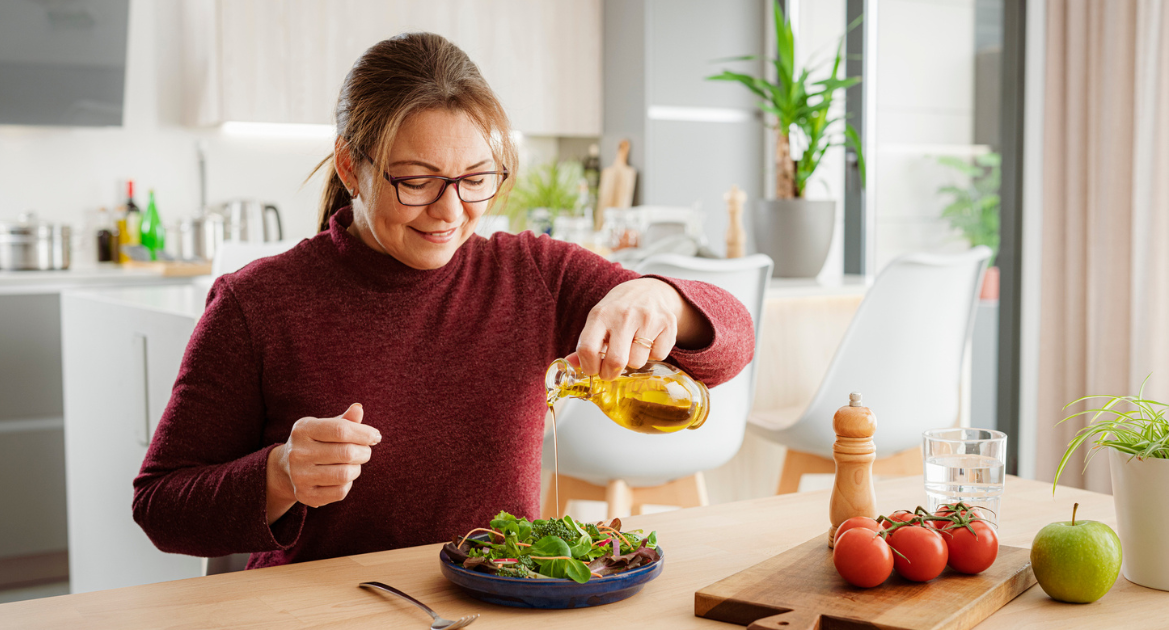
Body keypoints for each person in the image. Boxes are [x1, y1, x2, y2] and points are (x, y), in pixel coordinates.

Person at [133, 32, 754, 569]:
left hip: (491, 602)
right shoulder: (258, 302)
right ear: (352, 168)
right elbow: (160, 506)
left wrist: (658, 297)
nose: (452, 211)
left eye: (476, 179)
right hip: (323, 608)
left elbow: (731, 346)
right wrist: (278, 476)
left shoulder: (531, 273)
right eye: (418, 182)